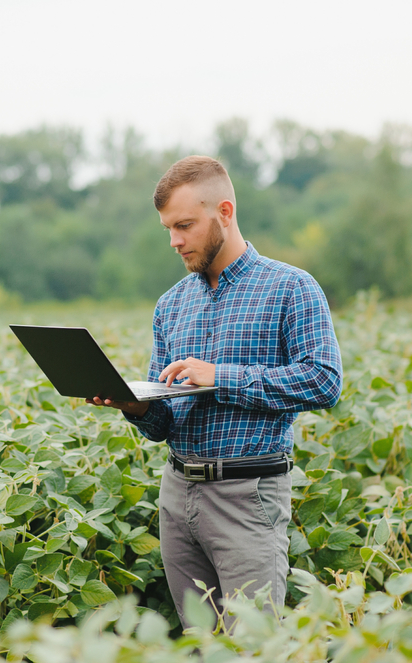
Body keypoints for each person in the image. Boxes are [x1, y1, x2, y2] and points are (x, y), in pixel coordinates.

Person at [90, 155, 342, 626]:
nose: (175, 241)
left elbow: (325, 381)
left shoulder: (292, 289)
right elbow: (163, 425)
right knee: (200, 644)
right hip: (177, 492)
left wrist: (222, 376)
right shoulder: (171, 304)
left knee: (251, 645)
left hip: (248, 495)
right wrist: (135, 406)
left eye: (184, 225)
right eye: (168, 229)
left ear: (224, 212)